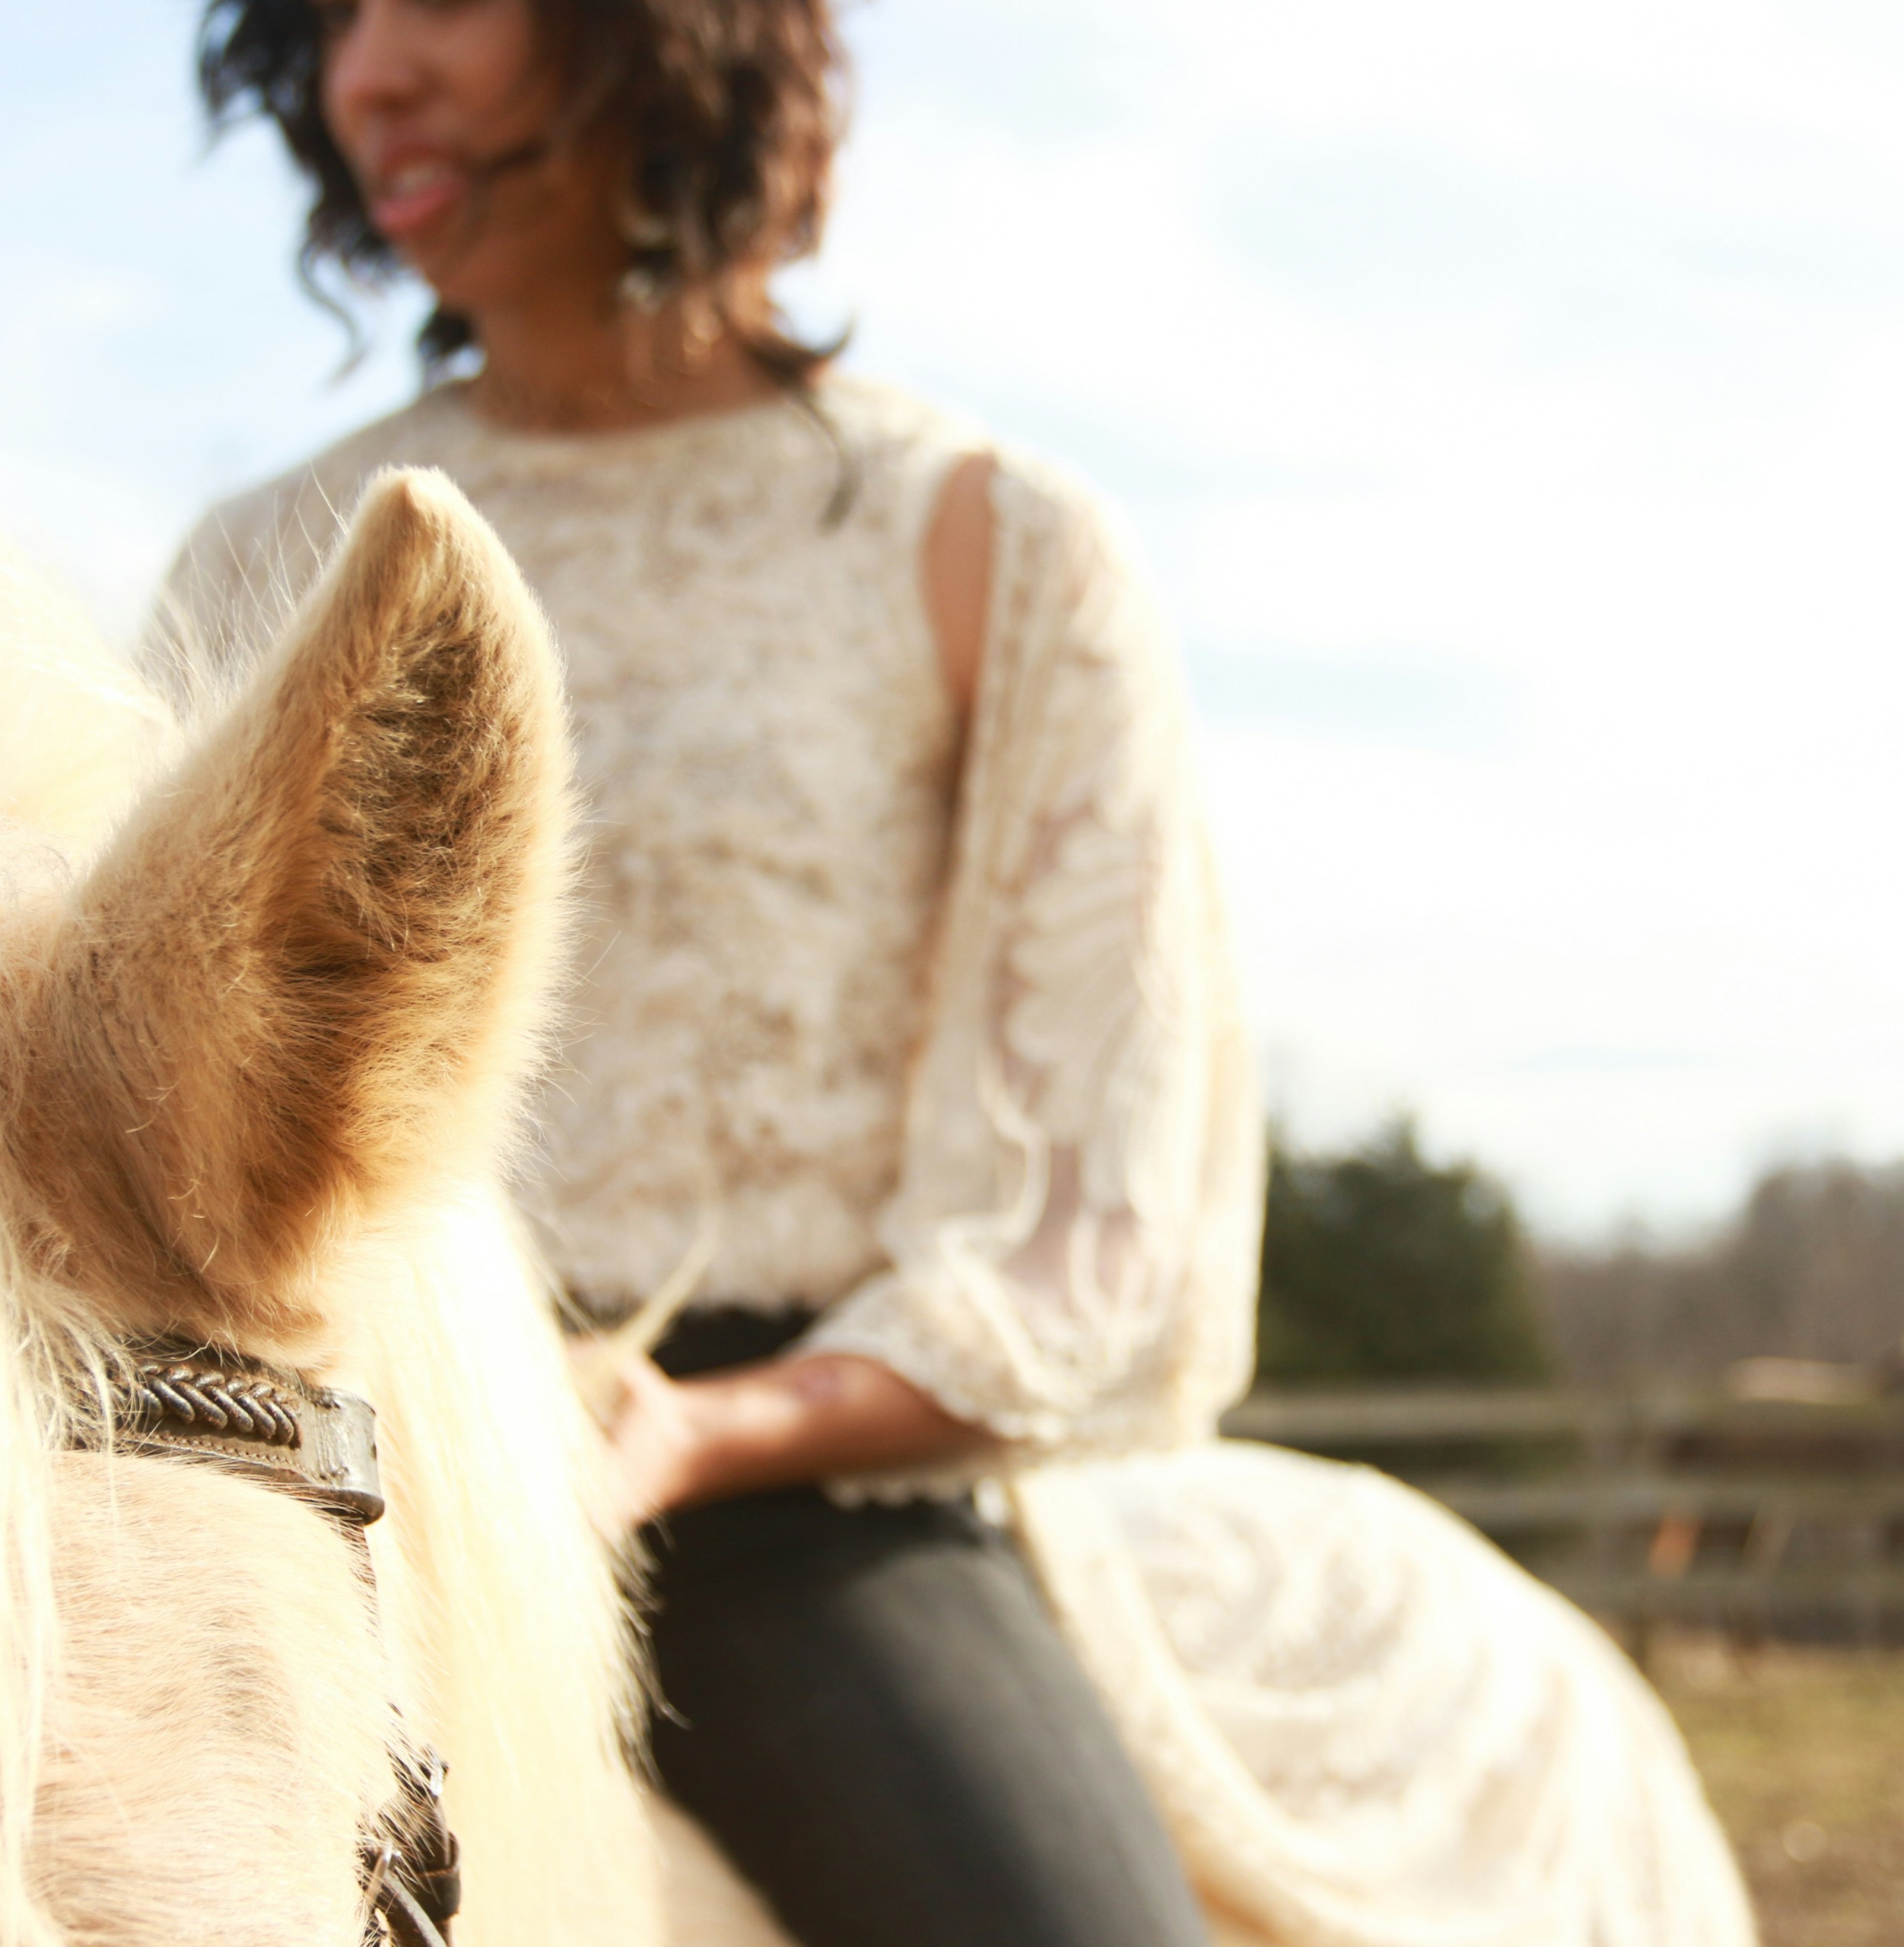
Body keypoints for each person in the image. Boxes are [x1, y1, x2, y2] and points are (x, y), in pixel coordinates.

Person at [161, 5, 1757, 1945]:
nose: (371, 75)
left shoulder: (992, 545)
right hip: (306, 1468)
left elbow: (1098, 1203)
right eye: (331, 25)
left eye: (445, 2)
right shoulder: (259, 562)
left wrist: (699, 1428)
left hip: (769, 1495)